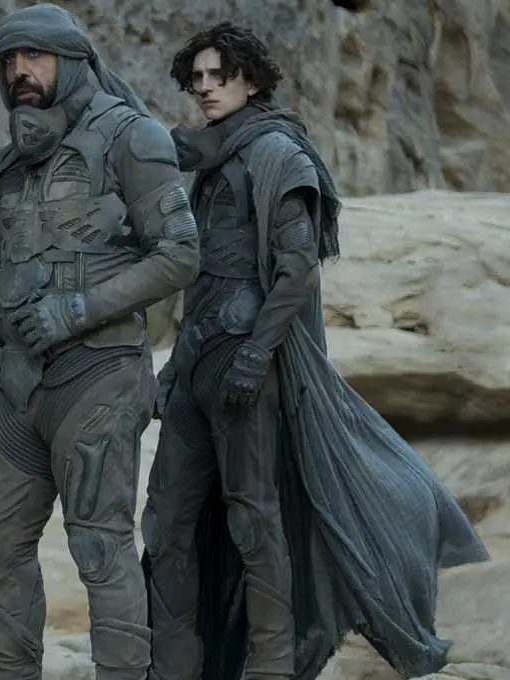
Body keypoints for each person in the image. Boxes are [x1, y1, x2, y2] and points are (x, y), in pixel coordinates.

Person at [143, 22, 490, 680]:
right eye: (198, 78)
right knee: (166, 520)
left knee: (254, 517)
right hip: (196, 362)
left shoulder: (279, 154)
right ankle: (176, 664)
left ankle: (270, 665)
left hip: (248, 360)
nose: (207, 87)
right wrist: (175, 366)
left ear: (252, 80)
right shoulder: (211, 162)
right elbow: (200, 273)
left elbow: (296, 270)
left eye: (220, 76)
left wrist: (256, 356)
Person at [0, 4, 200, 679]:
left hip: (97, 377)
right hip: (12, 389)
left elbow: (179, 254)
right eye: (8, 60)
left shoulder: (132, 137)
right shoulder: (8, 166)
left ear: (74, 61)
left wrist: (75, 310)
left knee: (99, 548)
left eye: (36, 56)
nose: (19, 72)